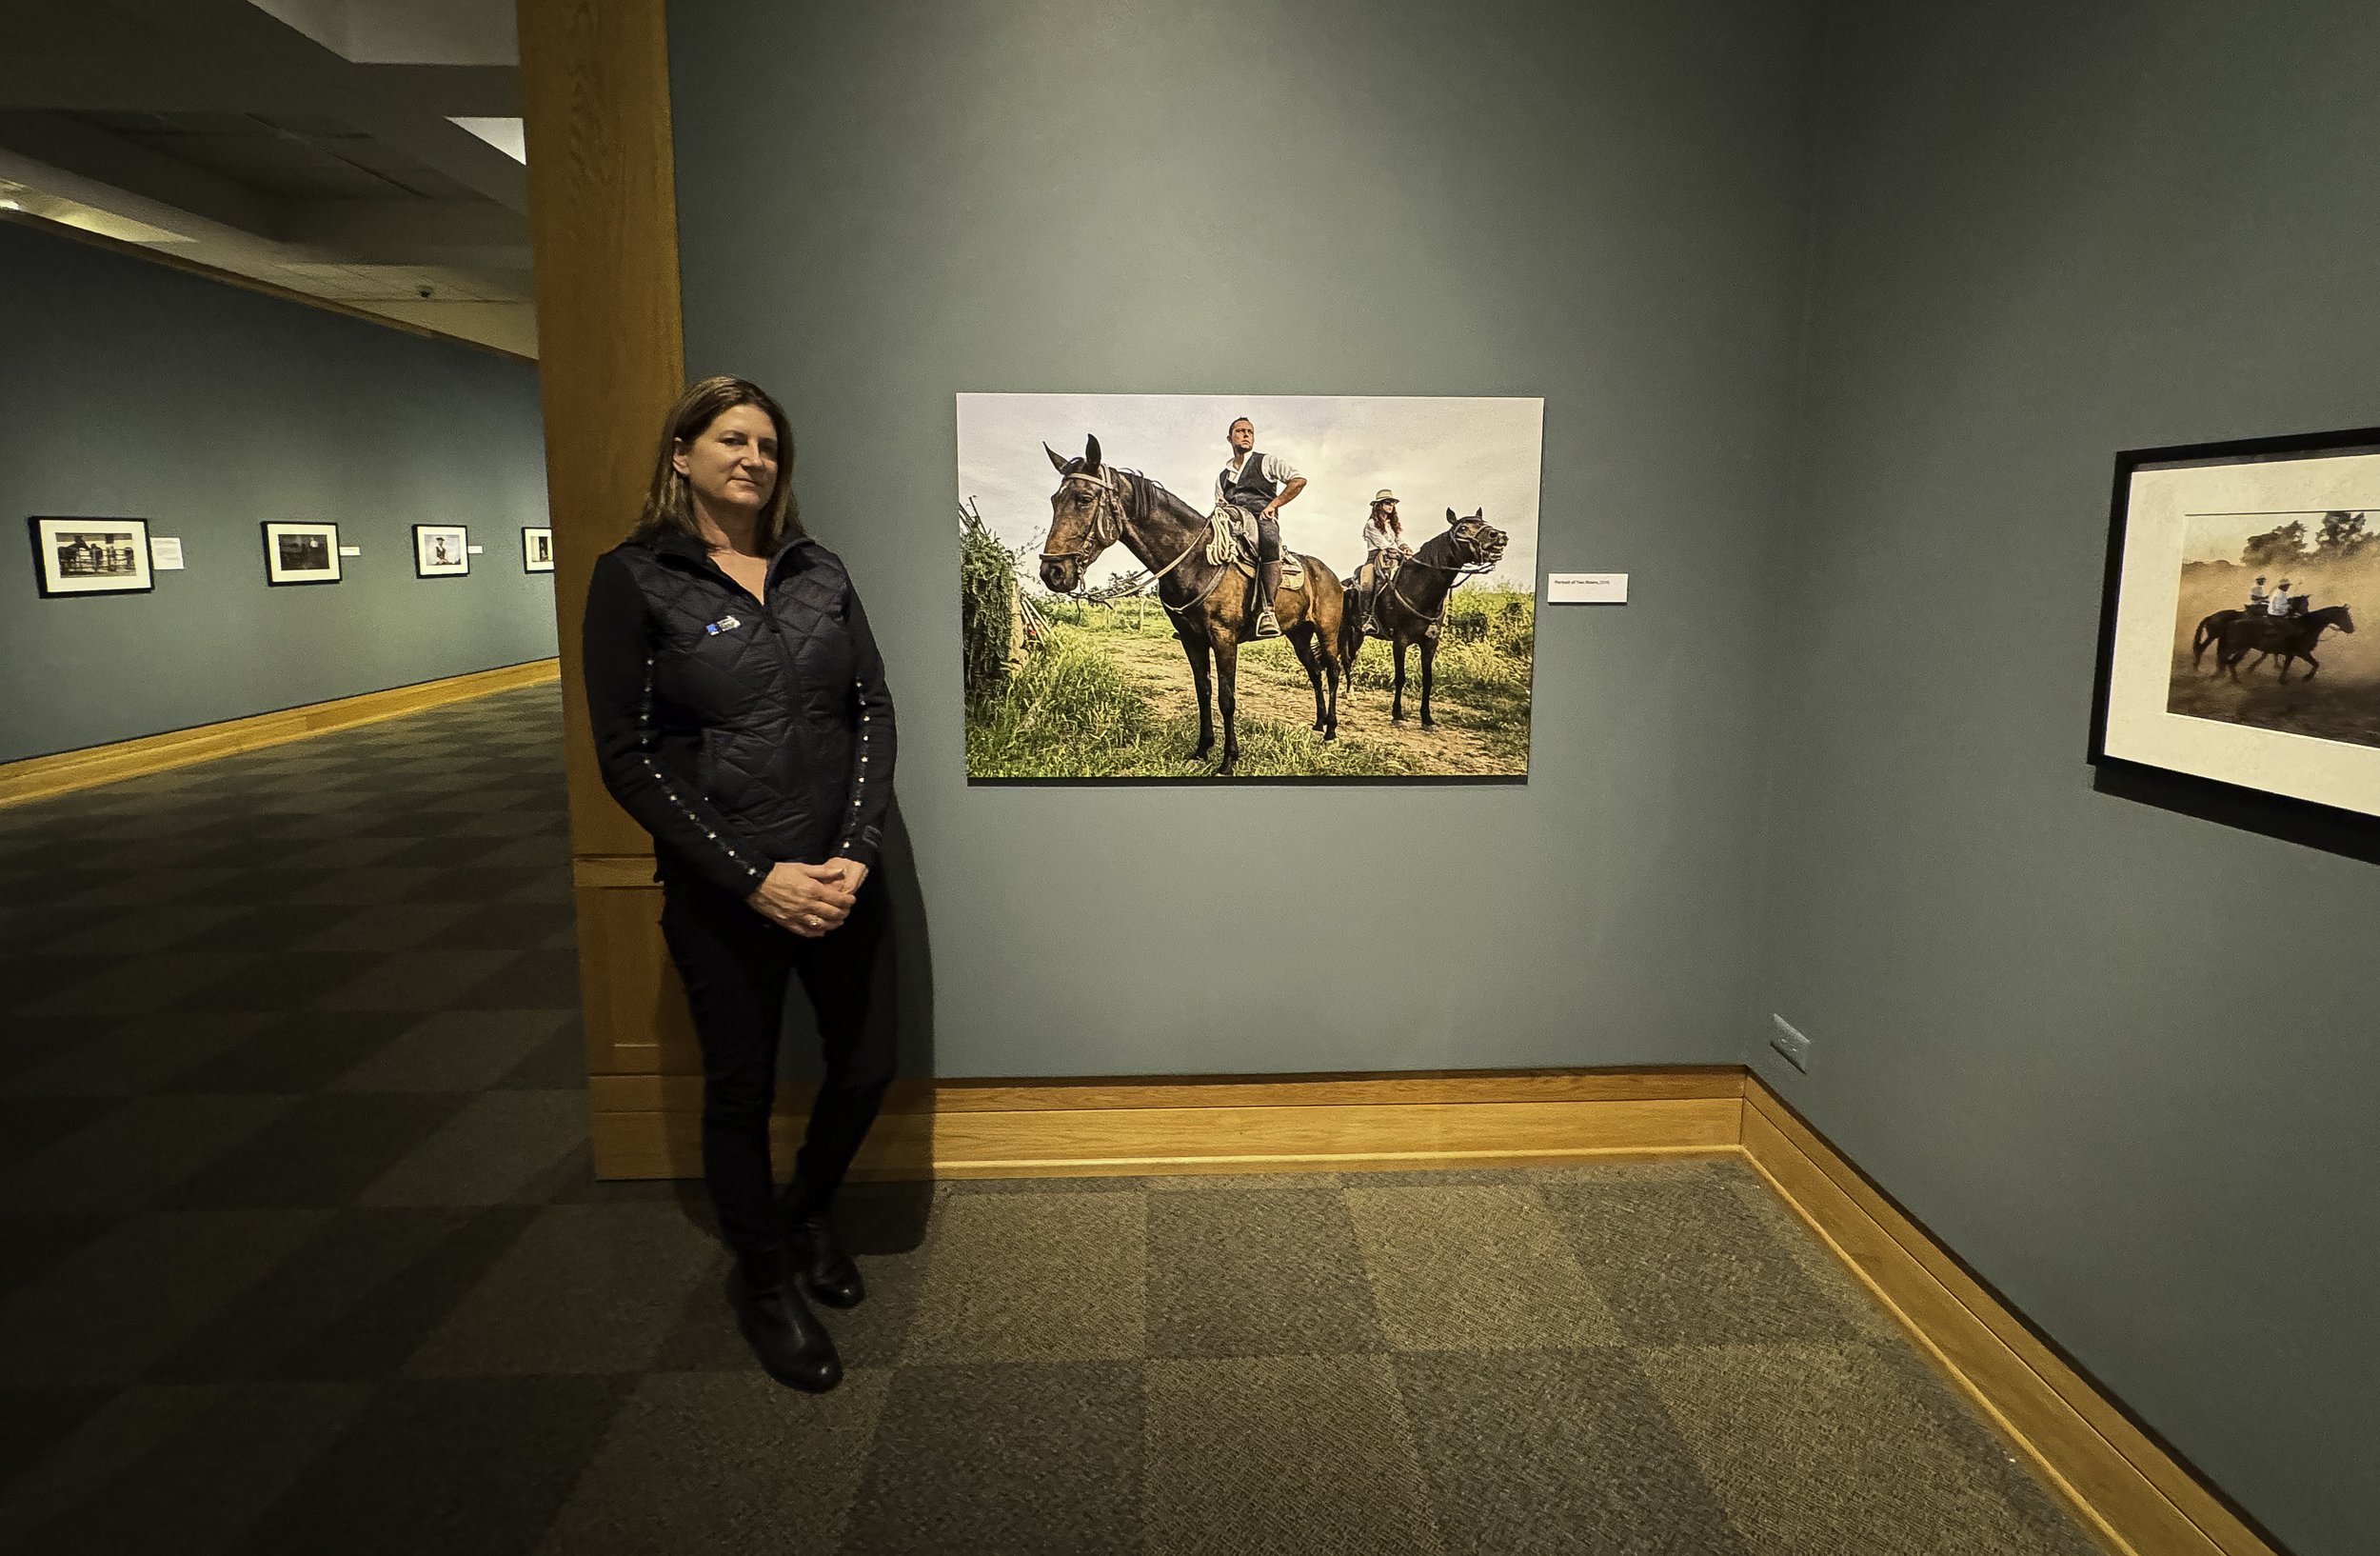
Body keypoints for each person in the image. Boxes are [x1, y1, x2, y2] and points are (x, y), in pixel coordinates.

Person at [581, 375, 898, 1394]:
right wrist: (757, 877)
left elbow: (871, 708)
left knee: (865, 1067)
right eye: (730, 438)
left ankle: (804, 1215)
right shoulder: (634, 577)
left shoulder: (817, 569)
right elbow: (626, 756)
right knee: (741, 1089)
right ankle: (763, 1280)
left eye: (767, 443)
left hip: (843, 875)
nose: (753, 457)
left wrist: (855, 844)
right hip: (730, 890)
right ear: (682, 453)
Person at [1213, 416, 1307, 637]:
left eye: (1250, 432)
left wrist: (1273, 505)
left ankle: (1268, 611)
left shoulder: (1265, 461)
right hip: (1232, 521)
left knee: (1268, 538)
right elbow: (1219, 504)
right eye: (1240, 431)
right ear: (1230, 438)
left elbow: (1298, 480)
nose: (1246, 435)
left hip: (1260, 518)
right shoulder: (1222, 476)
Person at [1354, 489, 1411, 632]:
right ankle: (1367, 619)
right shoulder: (1371, 524)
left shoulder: (1392, 523)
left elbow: (1398, 539)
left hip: (1395, 556)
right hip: (1376, 557)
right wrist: (1400, 553)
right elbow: (1383, 544)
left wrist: (1406, 548)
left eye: (1392, 503)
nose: (1390, 505)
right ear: (1379, 505)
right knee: (1367, 583)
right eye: (1387, 503)